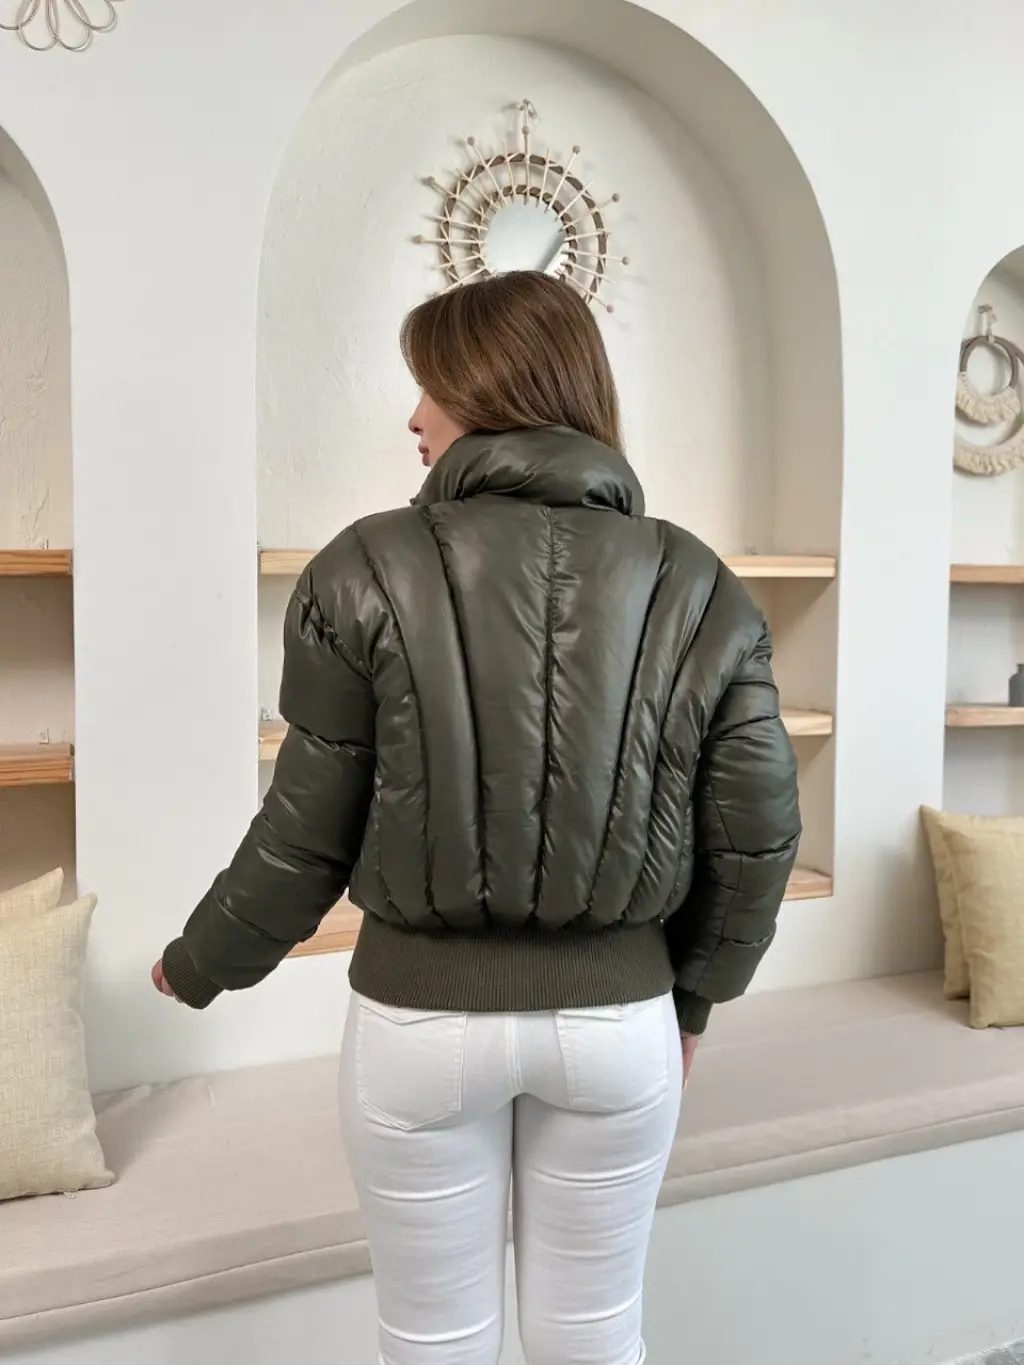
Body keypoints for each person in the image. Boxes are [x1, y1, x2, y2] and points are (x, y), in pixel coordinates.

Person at [154, 270, 801, 1365]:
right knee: (594, 1339)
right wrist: (692, 1001)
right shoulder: (699, 584)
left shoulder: (361, 569)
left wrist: (199, 960)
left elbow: (305, 831)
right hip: (619, 1026)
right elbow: (756, 838)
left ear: (494, 386)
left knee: (432, 1342)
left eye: (431, 386)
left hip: (419, 1029)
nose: (413, 417)